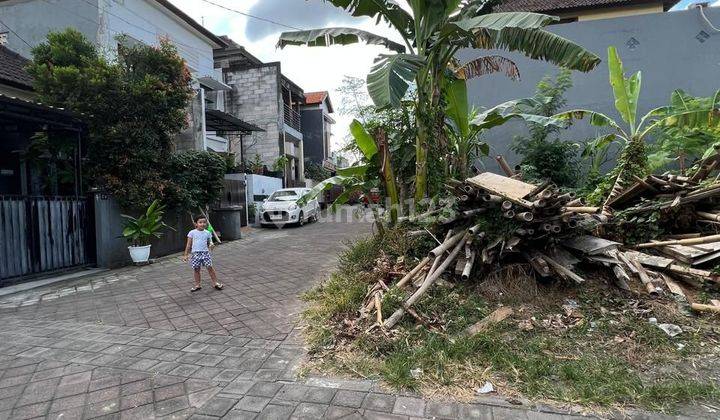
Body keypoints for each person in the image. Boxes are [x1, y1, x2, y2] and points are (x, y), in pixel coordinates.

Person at [183, 215, 223, 292]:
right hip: (195, 254)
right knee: (196, 269)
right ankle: (198, 285)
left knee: (210, 268)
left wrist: (211, 246)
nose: (202, 224)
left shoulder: (208, 233)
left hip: (205, 253)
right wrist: (186, 255)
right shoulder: (192, 233)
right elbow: (188, 245)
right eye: (200, 222)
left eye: (204, 222)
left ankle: (215, 283)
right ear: (196, 224)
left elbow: (210, 243)